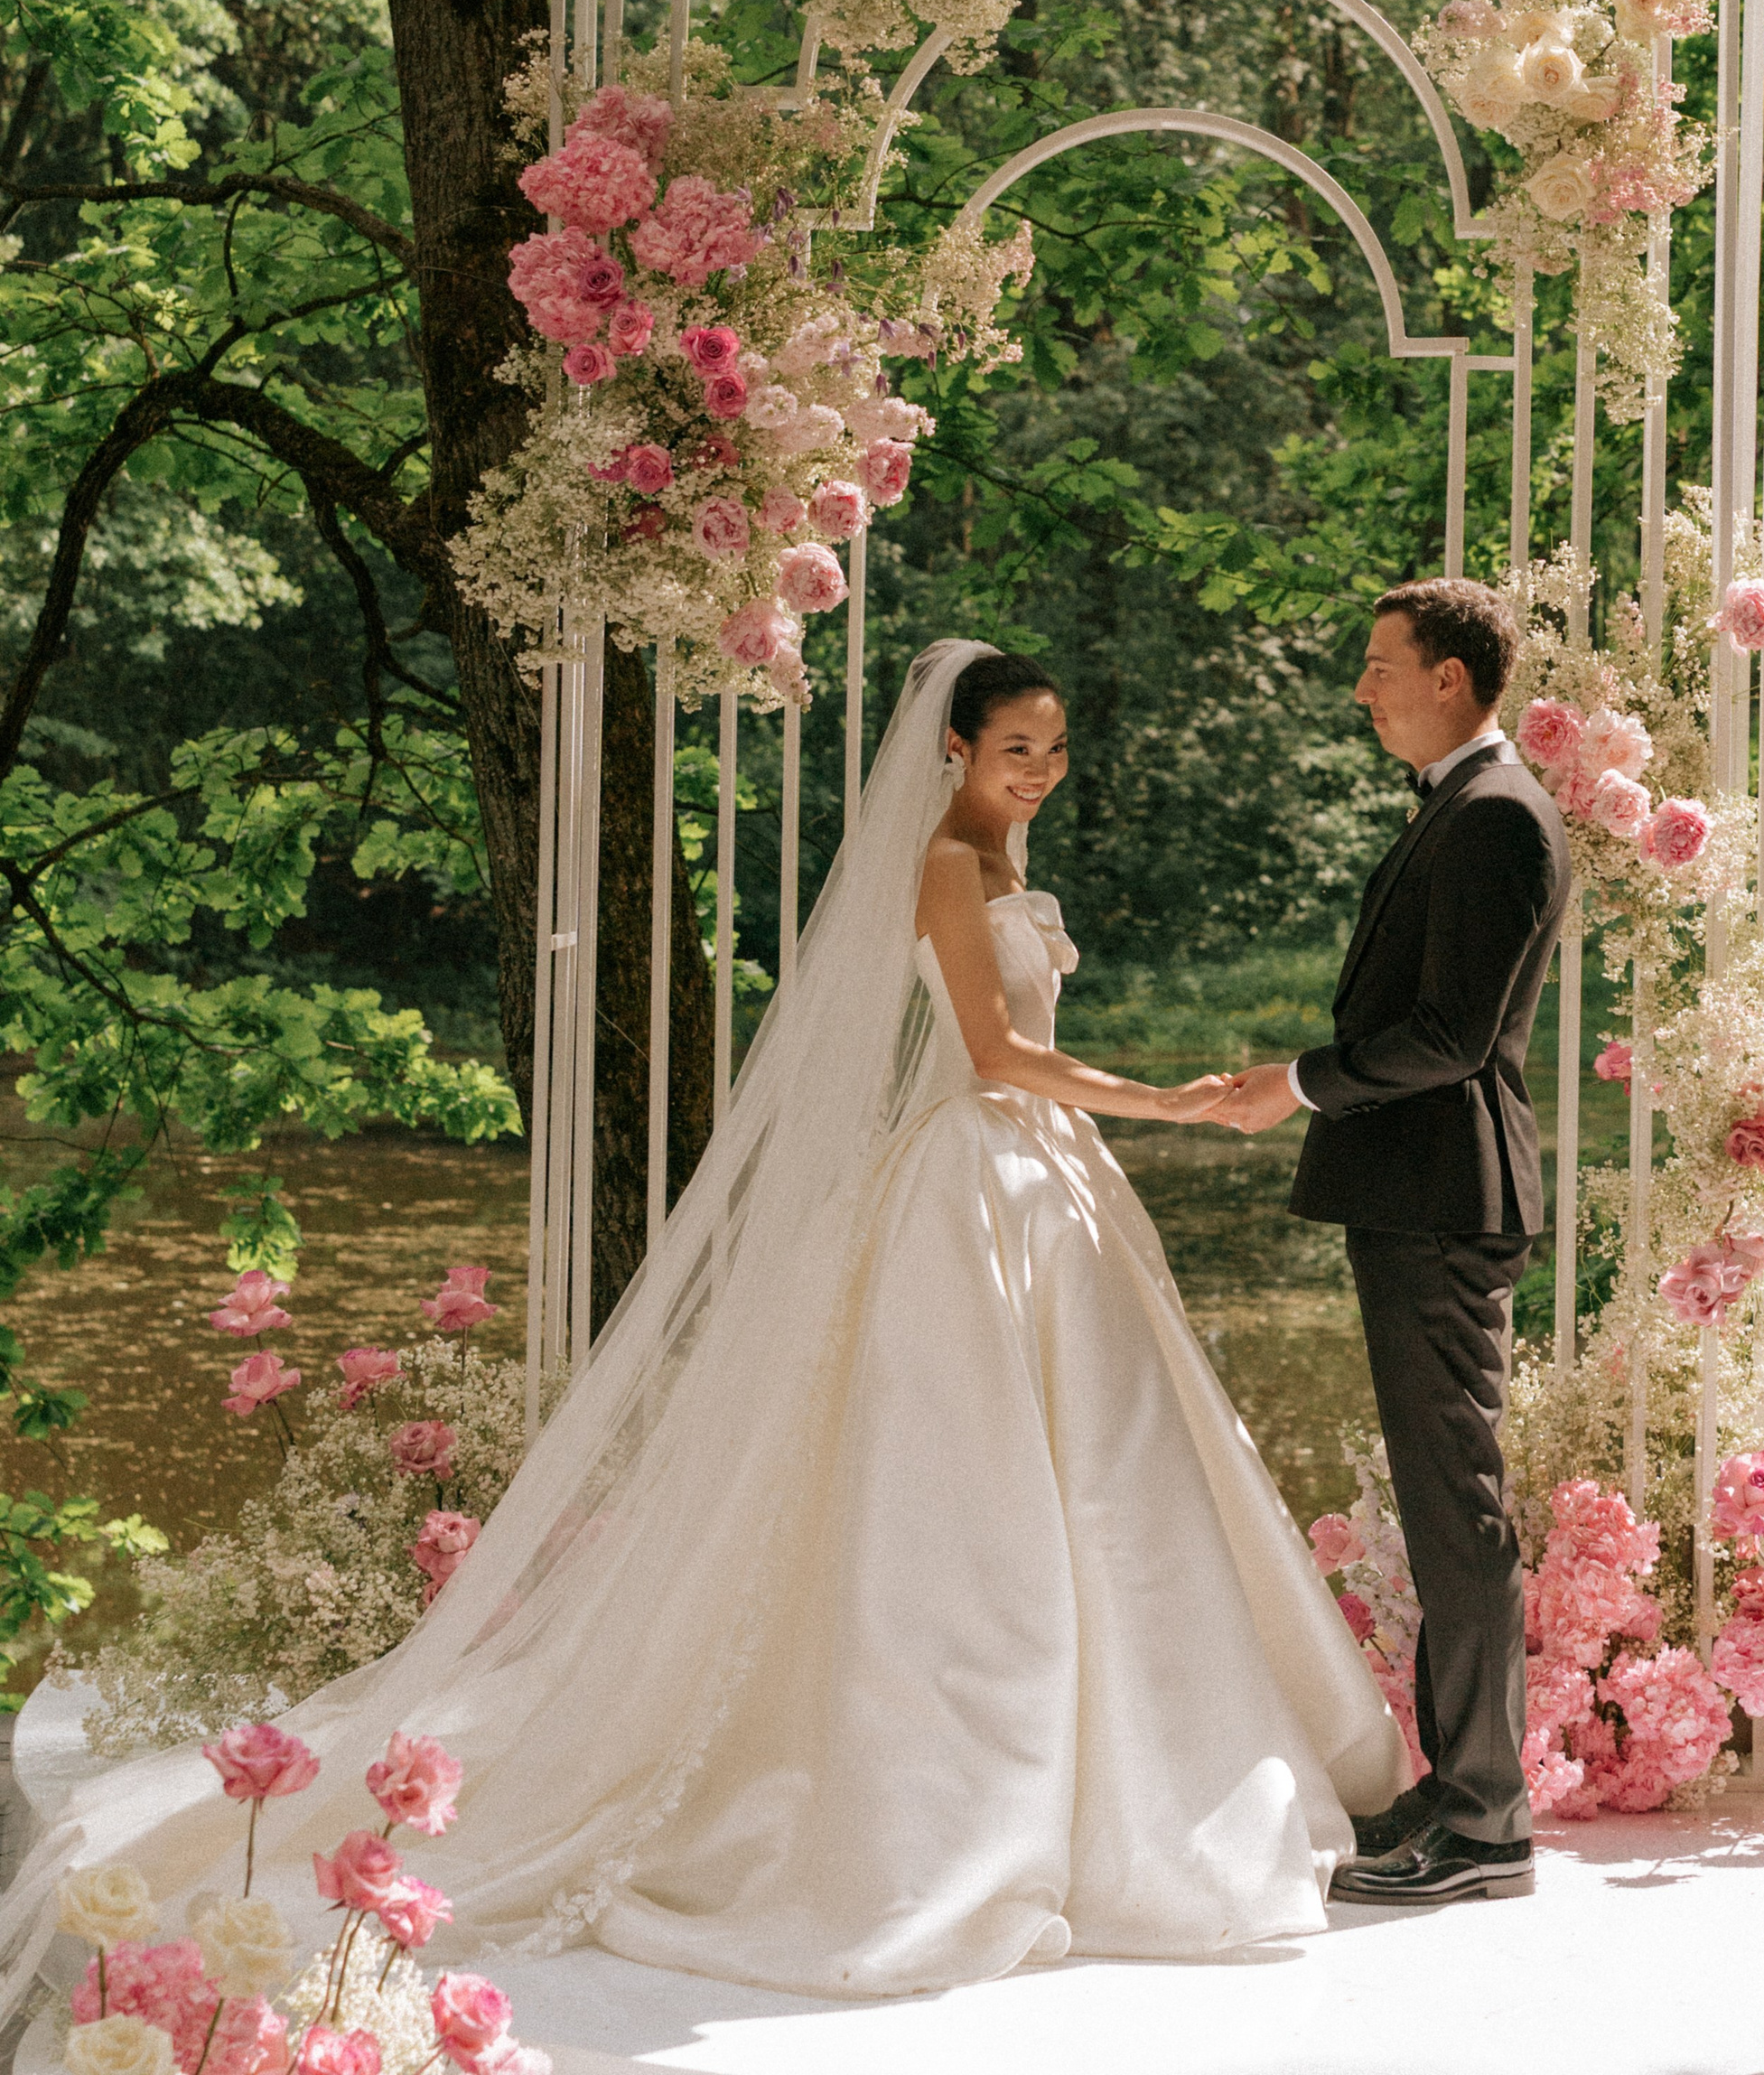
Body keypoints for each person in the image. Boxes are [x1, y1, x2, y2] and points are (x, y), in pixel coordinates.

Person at [0, 641, 1405, 2014]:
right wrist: (1165, 1101)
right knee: (975, 1483)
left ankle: (1137, 1761)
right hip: (982, 1171)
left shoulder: (1000, 859)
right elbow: (992, 1055)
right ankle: (978, 1786)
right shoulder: (942, 860)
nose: (1038, 769)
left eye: (1054, 748)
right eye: (1014, 748)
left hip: (1036, 1179)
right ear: (956, 749)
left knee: (1107, 1467)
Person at [1225, 579, 1570, 1908]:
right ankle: (1458, 1788)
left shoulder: (1497, 817)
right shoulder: (1461, 808)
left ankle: (1486, 1827)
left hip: (1443, 1201)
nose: (1362, 689)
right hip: (1418, 1196)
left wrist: (1297, 1085)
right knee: (1439, 1508)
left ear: (1450, 679)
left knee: (1457, 1510)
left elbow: (1453, 1038)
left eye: (1381, 665)